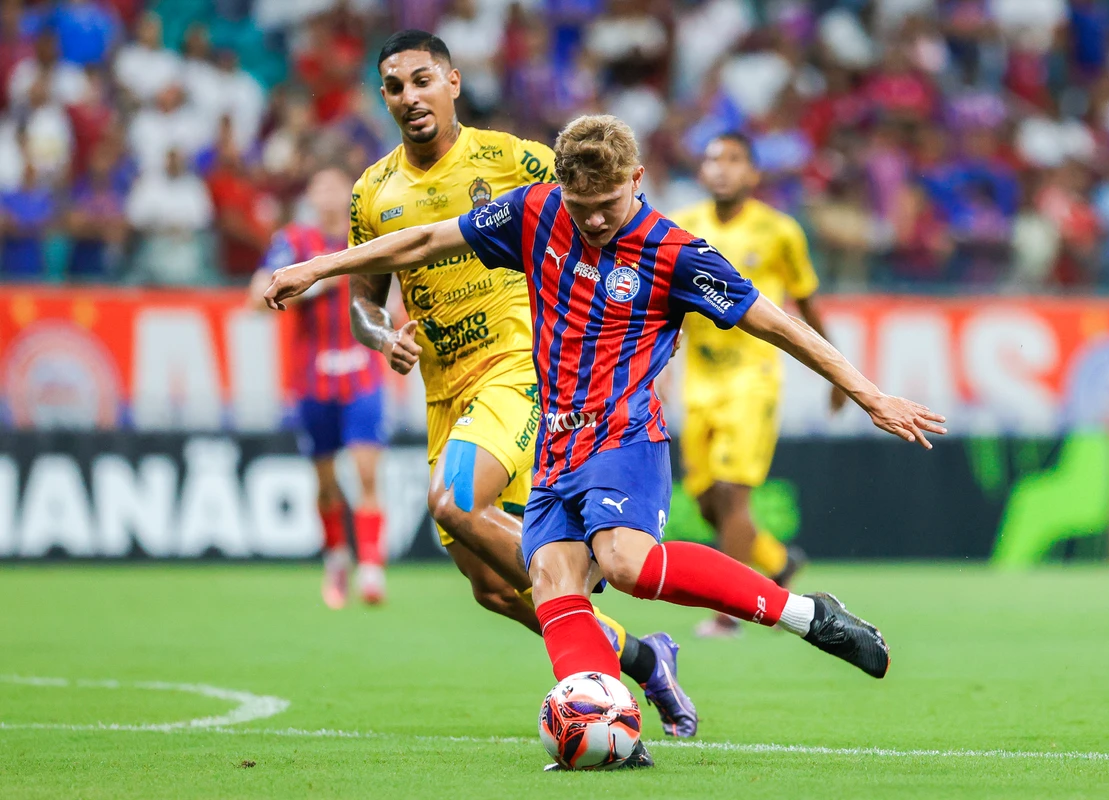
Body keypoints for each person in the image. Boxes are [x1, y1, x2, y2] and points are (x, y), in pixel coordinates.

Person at [264, 113, 947, 769]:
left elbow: (777, 322)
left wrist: (869, 394)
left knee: (625, 564)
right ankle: (609, 727)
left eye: (608, 203)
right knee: (552, 583)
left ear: (638, 179)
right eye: (581, 202)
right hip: (556, 445)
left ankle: (809, 615)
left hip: (625, 438)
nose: (592, 219)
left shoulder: (674, 251)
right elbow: (421, 241)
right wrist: (318, 269)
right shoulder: (534, 213)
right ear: (561, 187)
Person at [334, 31, 697, 738]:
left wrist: (653, 311)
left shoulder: (515, 161)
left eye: (422, 80)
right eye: (395, 86)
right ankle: (642, 659)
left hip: (518, 371)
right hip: (445, 394)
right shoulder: (371, 193)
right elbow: (363, 300)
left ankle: (588, 588)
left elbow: (609, 213)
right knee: (493, 590)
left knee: (452, 500)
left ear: (454, 82)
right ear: (384, 97)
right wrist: (383, 337)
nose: (410, 96)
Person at [672, 132, 844, 638]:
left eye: (733, 160)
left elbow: (806, 303)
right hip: (700, 378)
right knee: (704, 497)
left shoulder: (779, 231)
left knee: (731, 493)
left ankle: (731, 612)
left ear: (753, 174)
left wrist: (835, 371)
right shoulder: (683, 226)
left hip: (754, 376)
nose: (721, 169)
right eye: (712, 160)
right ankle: (777, 561)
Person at [249, 167, 387, 607]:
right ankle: (337, 557)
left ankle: (371, 568)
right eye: (320, 188)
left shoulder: (367, 237)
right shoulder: (294, 243)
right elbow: (257, 295)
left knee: (366, 472)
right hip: (312, 378)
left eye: (335, 189)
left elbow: (396, 290)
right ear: (310, 195)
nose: (328, 197)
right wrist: (310, 287)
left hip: (362, 371)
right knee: (326, 482)